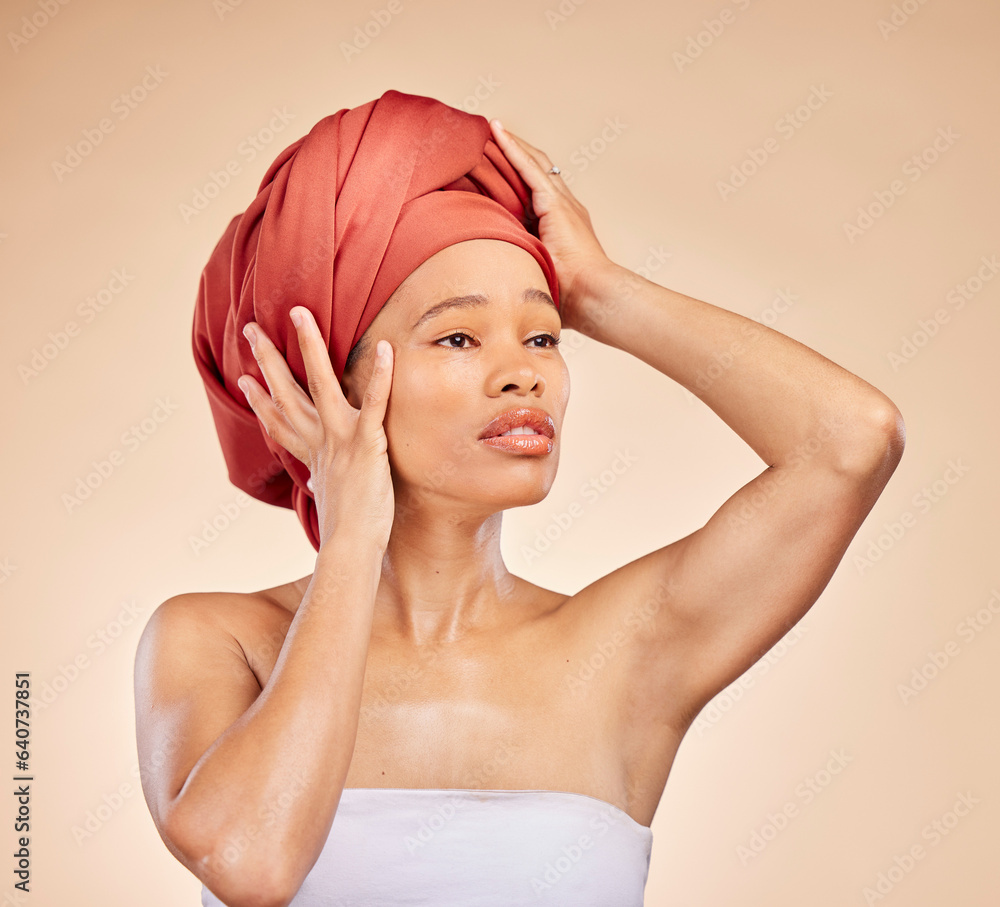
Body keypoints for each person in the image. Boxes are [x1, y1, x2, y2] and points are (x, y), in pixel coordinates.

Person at [133, 90, 905, 907]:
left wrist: (603, 292)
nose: (523, 371)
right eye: (458, 336)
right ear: (322, 378)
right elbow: (252, 861)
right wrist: (353, 529)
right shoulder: (219, 640)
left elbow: (853, 441)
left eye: (542, 335)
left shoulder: (624, 648)